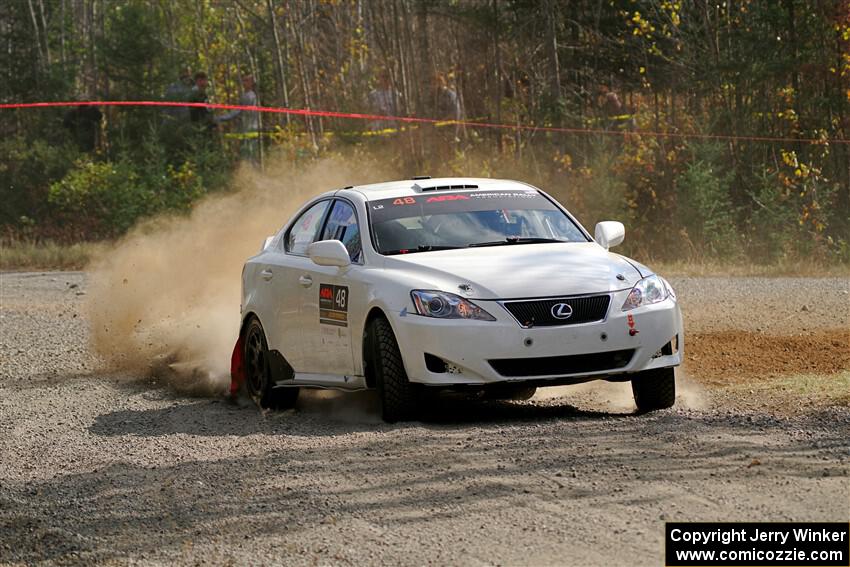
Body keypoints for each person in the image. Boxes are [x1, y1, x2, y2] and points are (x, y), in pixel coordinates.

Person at [215, 74, 260, 164]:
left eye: (246, 81)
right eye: (243, 80)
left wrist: (221, 118)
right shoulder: (249, 95)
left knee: (248, 153)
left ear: (251, 83)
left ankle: (252, 172)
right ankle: (251, 172)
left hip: (248, 128)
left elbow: (238, 111)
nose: (244, 83)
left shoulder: (249, 96)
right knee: (249, 153)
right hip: (249, 128)